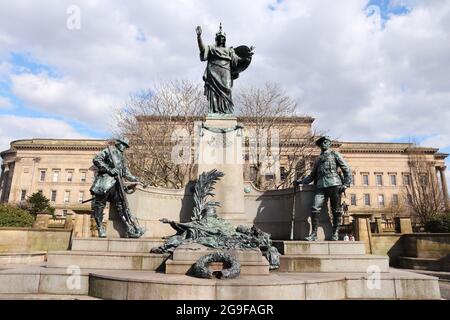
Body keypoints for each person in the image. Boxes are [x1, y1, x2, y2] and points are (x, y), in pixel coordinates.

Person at [294, 136, 352, 241]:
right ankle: (314, 234)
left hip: (335, 184)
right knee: (315, 208)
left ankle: (335, 232)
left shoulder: (335, 154)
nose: (323, 144)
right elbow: (312, 176)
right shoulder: (318, 159)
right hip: (321, 186)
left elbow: (346, 169)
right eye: (321, 143)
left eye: (325, 142)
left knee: (336, 210)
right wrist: (300, 181)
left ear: (329, 143)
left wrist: (346, 184)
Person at [89, 137, 145, 238]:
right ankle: (100, 227)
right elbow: (96, 159)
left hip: (117, 185)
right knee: (99, 206)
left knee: (122, 206)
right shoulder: (109, 151)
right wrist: (108, 169)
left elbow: (126, 173)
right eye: (123, 144)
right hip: (104, 183)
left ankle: (129, 228)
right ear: (118, 143)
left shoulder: (122, 158)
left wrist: (137, 179)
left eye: (126, 146)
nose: (124, 147)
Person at [196, 23, 253, 114]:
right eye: (219, 37)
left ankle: (226, 111)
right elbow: (203, 50)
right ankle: (214, 111)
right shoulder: (211, 48)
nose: (221, 39)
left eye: (223, 37)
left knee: (227, 90)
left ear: (225, 39)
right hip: (213, 71)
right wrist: (199, 37)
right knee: (214, 92)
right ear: (216, 39)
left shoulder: (229, 50)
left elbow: (237, 60)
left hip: (226, 72)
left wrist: (246, 58)